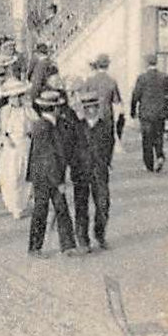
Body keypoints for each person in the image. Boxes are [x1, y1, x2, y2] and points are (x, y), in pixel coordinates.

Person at [26, 88, 80, 258]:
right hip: (45, 177)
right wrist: (59, 182)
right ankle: (36, 248)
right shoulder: (44, 128)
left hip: (48, 175)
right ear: (54, 109)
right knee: (43, 210)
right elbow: (49, 158)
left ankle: (67, 245)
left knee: (60, 208)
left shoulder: (49, 125)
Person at [74, 90, 115, 252]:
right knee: (81, 206)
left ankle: (100, 235)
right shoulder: (77, 127)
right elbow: (72, 150)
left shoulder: (105, 126)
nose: (91, 110)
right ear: (83, 109)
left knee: (103, 204)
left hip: (100, 171)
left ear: (98, 107)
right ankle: (83, 240)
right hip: (81, 172)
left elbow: (109, 146)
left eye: (94, 107)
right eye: (87, 107)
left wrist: (105, 162)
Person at [0, 78, 33, 219]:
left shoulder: (27, 110)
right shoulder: (4, 112)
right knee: (12, 176)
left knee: (25, 175)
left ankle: (21, 204)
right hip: (11, 147)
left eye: (19, 96)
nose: (17, 99)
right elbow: (0, 131)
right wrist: (6, 141)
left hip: (24, 144)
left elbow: (33, 127)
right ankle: (13, 205)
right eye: (14, 97)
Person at [130, 53, 168, 173]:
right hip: (160, 113)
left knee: (147, 139)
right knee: (158, 136)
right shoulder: (164, 77)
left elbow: (136, 95)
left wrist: (132, 111)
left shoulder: (142, 78)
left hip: (146, 114)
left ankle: (149, 165)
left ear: (146, 64)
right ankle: (159, 156)